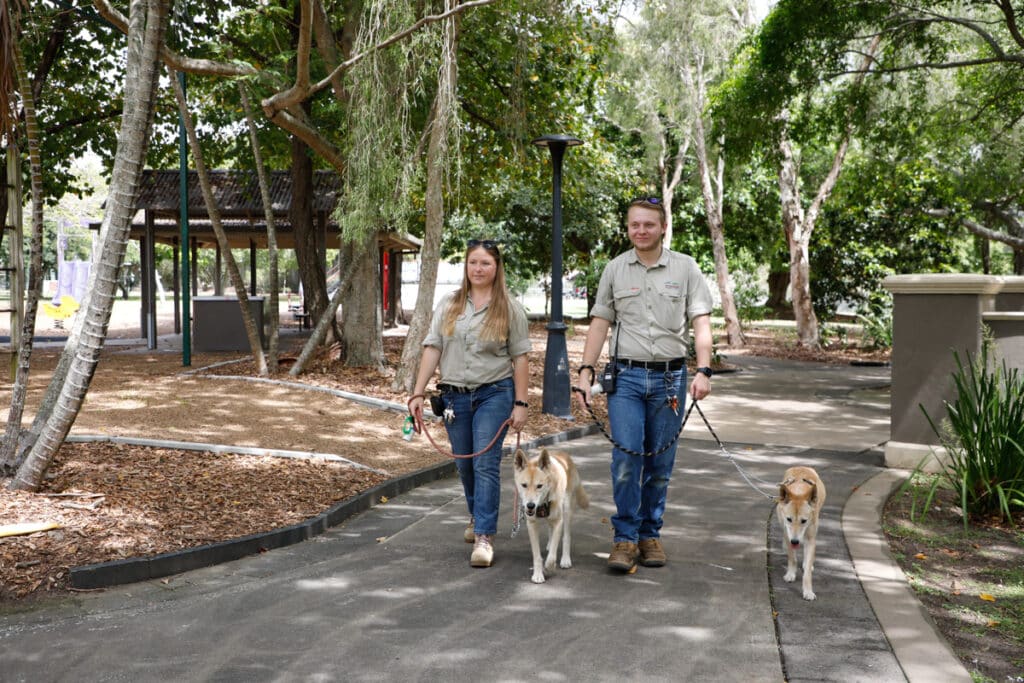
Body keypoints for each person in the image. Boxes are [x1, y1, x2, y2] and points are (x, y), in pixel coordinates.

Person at [575, 198, 714, 573]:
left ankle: (650, 534)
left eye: (648, 224)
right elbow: (600, 323)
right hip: (627, 378)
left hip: (671, 378)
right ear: (628, 228)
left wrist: (704, 370)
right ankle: (624, 538)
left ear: (663, 226)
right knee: (626, 459)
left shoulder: (686, 267)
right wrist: (586, 370)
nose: (641, 231)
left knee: (660, 463)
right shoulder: (615, 269)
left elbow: (701, 322)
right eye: (635, 224)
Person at [410, 239, 531, 568]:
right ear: (466, 266)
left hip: (495, 393)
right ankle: (477, 515)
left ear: (496, 268)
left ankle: (484, 535)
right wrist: (417, 393)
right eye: (473, 262)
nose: (479, 269)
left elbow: (520, 358)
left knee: (484, 462)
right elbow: (432, 347)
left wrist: (521, 403)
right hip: (454, 396)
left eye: (486, 263)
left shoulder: (509, 307)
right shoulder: (449, 304)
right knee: (464, 463)